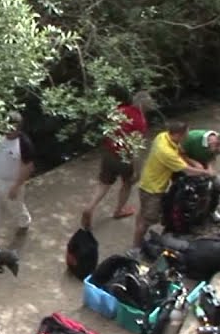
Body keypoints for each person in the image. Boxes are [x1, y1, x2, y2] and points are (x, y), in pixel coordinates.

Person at [132, 121, 212, 251]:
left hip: (146, 181)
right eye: (185, 134)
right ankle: (135, 247)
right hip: (153, 188)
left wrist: (186, 156)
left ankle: (138, 237)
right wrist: (206, 172)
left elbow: (178, 149)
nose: (187, 136)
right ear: (178, 135)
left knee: (142, 213)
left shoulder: (162, 136)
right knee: (147, 220)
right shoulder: (166, 153)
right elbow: (187, 171)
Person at [81, 90, 155, 229]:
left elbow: (108, 131)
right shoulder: (140, 122)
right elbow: (136, 149)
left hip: (109, 154)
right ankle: (118, 210)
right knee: (127, 184)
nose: (151, 104)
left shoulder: (119, 110)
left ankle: (89, 207)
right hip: (125, 158)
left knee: (103, 184)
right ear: (143, 104)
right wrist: (137, 170)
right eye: (150, 102)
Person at [0, 111, 35, 243]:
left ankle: (24, 222)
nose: (7, 131)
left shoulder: (24, 144)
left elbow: (28, 167)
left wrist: (16, 186)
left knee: (16, 208)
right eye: (6, 127)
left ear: (18, 128)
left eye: (11, 128)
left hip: (12, 183)